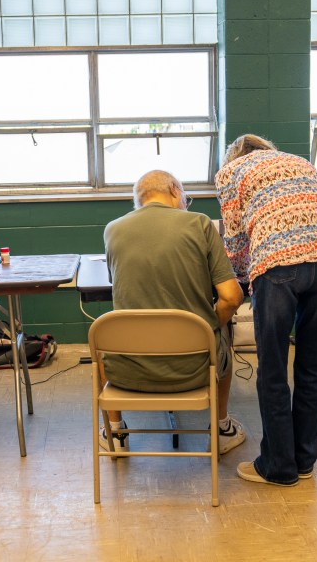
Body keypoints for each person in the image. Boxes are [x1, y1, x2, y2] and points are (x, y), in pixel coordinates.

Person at [216, 135, 317, 486]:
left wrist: (242, 282)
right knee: (313, 364)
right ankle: (304, 459)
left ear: (234, 157)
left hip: (277, 264)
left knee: (273, 368)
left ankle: (278, 466)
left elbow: (234, 241)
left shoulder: (230, 173)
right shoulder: (301, 163)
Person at [102, 170, 246, 455]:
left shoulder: (113, 229)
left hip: (127, 371)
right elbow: (231, 298)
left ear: (139, 200)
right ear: (174, 190)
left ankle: (116, 434)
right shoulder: (200, 224)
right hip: (194, 370)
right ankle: (221, 427)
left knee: (108, 336)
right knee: (223, 332)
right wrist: (210, 327)